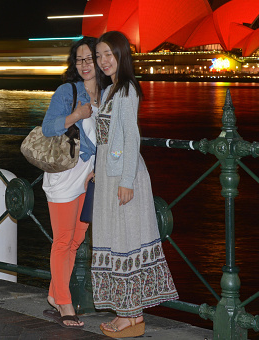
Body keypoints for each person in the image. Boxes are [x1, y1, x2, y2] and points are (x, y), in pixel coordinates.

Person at [91, 31, 178, 338]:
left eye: (108, 55)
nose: (103, 61)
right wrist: (96, 170)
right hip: (107, 174)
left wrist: (126, 181)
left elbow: (132, 138)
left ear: (121, 56)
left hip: (123, 176)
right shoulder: (109, 90)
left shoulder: (127, 89)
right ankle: (124, 312)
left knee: (126, 240)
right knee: (116, 240)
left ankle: (132, 317)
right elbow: (105, 140)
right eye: (99, 55)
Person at [40, 36, 107, 328]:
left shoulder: (106, 94)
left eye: (90, 58)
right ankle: (65, 304)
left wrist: (100, 168)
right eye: (79, 60)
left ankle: (55, 295)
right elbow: (48, 126)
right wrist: (76, 115)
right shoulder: (68, 92)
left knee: (77, 239)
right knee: (63, 240)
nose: (85, 65)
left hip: (88, 178)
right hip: (64, 175)